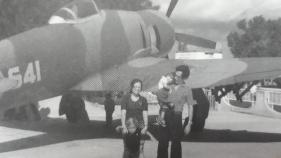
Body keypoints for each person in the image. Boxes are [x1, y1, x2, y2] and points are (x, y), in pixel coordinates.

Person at [157, 65, 196, 158]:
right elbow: (160, 100)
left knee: (176, 145)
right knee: (162, 143)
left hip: (177, 117)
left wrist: (189, 124)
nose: (175, 77)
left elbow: (191, 106)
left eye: (178, 76)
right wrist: (160, 117)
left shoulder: (187, 89)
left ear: (184, 77)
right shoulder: (168, 85)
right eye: (175, 75)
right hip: (164, 115)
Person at [119, 79, 148, 158]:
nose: (137, 88)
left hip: (140, 127)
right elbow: (123, 113)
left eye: (139, 87)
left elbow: (145, 113)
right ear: (131, 87)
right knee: (127, 149)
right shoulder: (125, 98)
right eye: (135, 86)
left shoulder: (143, 100)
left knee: (140, 149)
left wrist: (145, 126)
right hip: (128, 127)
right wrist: (124, 126)